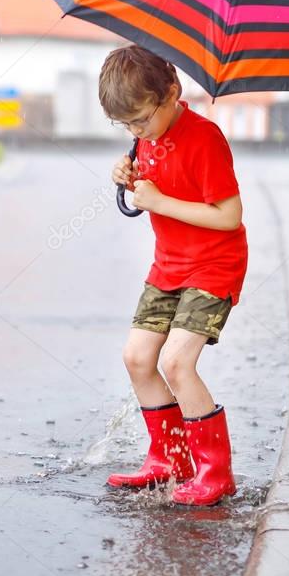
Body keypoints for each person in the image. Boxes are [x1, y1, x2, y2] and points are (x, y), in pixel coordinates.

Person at [101, 44, 248, 506]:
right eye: (125, 125)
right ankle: (171, 458)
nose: (135, 130)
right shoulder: (145, 136)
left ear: (172, 92)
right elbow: (156, 181)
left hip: (214, 263)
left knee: (177, 362)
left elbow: (229, 216)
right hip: (169, 264)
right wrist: (127, 174)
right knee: (137, 358)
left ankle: (214, 471)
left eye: (141, 119)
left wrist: (160, 202)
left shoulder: (205, 138)